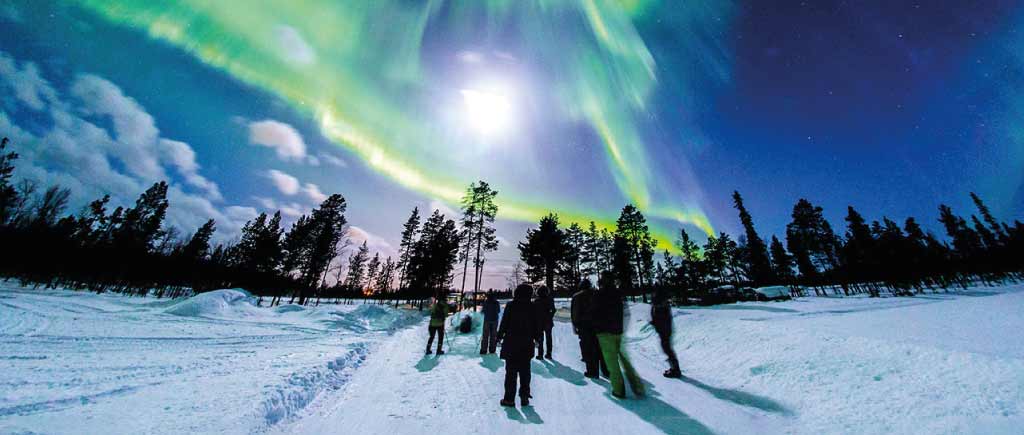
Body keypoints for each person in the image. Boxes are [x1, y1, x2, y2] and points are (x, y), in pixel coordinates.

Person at [593, 273, 645, 399]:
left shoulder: (598, 295)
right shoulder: (618, 294)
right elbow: (625, 312)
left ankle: (618, 390)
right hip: (618, 331)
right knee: (625, 360)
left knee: (612, 363)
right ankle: (638, 386)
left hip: (604, 333)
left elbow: (594, 313)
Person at [497, 284, 541, 407]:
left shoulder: (511, 305)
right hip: (526, 343)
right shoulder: (532, 306)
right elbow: (536, 325)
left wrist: (499, 336)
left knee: (510, 373)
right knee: (525, 371)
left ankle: (509, 399)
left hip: (511, 343)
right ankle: (524, 396)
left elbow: (504, 322)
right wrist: (537, 338)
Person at [571, 278, 609, 378]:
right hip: (599, 326)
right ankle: (606, 370)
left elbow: (575, 314)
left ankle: (592, 371)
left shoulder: (577, 296)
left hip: (585, 327)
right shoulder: (598, 294)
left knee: (588, 349)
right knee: (601, 348)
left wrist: (575, 326)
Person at [651, 287, 682, 378]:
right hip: (664, 330)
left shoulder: (661, 306)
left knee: (667, 350)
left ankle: (676, 370)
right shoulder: (661, 305)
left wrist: (655, 322)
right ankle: (674, 368)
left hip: (664, 331)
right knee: (667, 349)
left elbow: (660, 319)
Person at [533, 285, 555, 360]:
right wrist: (550, 316)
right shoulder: (550, 299)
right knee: (549, 338)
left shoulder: (537, 301)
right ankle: (549, 354)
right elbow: (553, 310)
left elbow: (534, 312)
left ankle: (540, 354)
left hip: (539, 322)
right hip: (548, 322)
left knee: (540, 338)